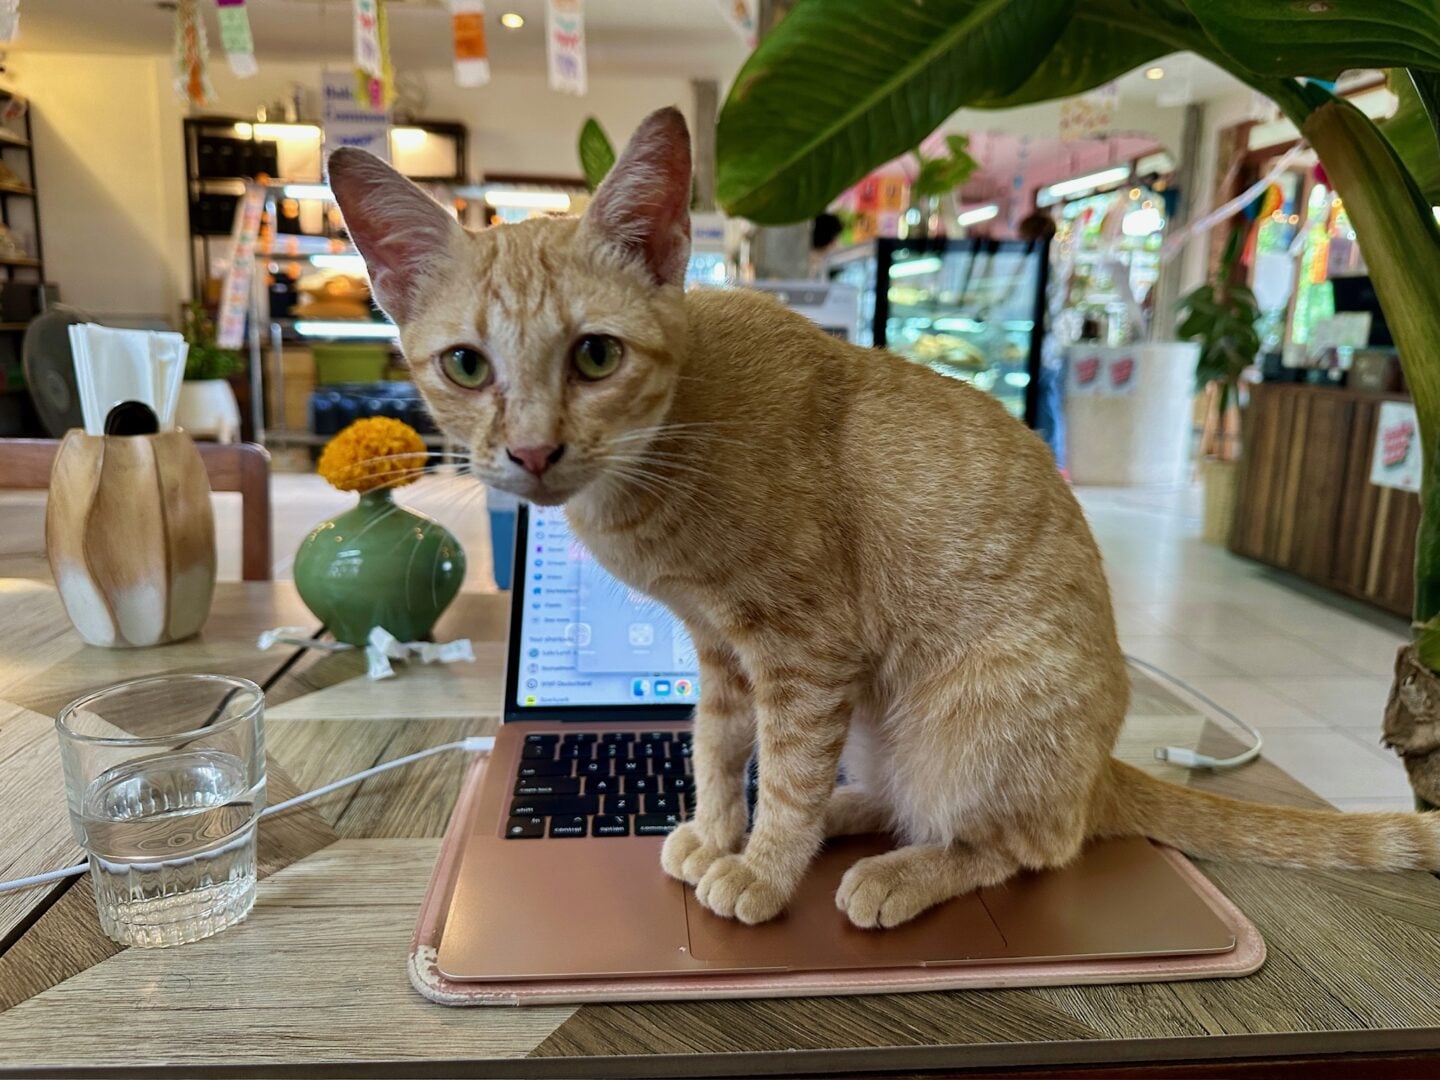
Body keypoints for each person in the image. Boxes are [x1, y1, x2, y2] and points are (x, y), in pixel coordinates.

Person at [1018, 210, 1066, 471]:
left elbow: (1041, 312)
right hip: (1046, 350)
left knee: (1047, 407)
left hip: (1044, 352)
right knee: (1046, 405)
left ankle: (1055, 464)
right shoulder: (1049, 263)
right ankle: (1050, 461)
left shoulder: (1043, 266)